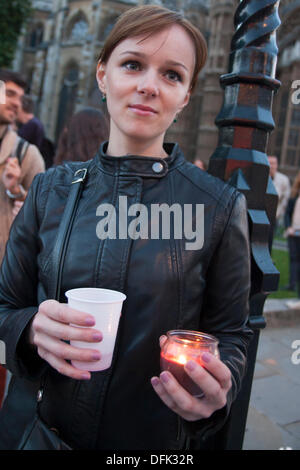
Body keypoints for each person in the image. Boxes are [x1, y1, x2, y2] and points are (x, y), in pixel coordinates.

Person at [0, 5, 252, 450]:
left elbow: (231, 333)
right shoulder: (48, 191)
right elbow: (5, 304)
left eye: (172, 75)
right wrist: (29, 328)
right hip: (38, 434)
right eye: (133, 64)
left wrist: (220, 385)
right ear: (102, 75)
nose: (148, 86)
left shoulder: (218, 206)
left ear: (187, 95)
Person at [0, 70, 45, 409]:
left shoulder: (26, 153)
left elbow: (45, 218)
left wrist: (15, 188)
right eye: (9, 94)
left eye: (19, 96)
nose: (16, 103)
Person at [284, 171, 300, 294]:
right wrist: (288, 227)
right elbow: (288, 213)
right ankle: (292, 284)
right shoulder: (294, 195)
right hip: (293, 232)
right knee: (293, 258)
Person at [268, 155, 291, 227]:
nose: (271, 166)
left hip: (275, 216)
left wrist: (279, 213)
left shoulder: (284, 180)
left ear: (277, 165)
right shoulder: (259, 178)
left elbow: (285, 199)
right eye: (269, 163)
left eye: (273, 163)